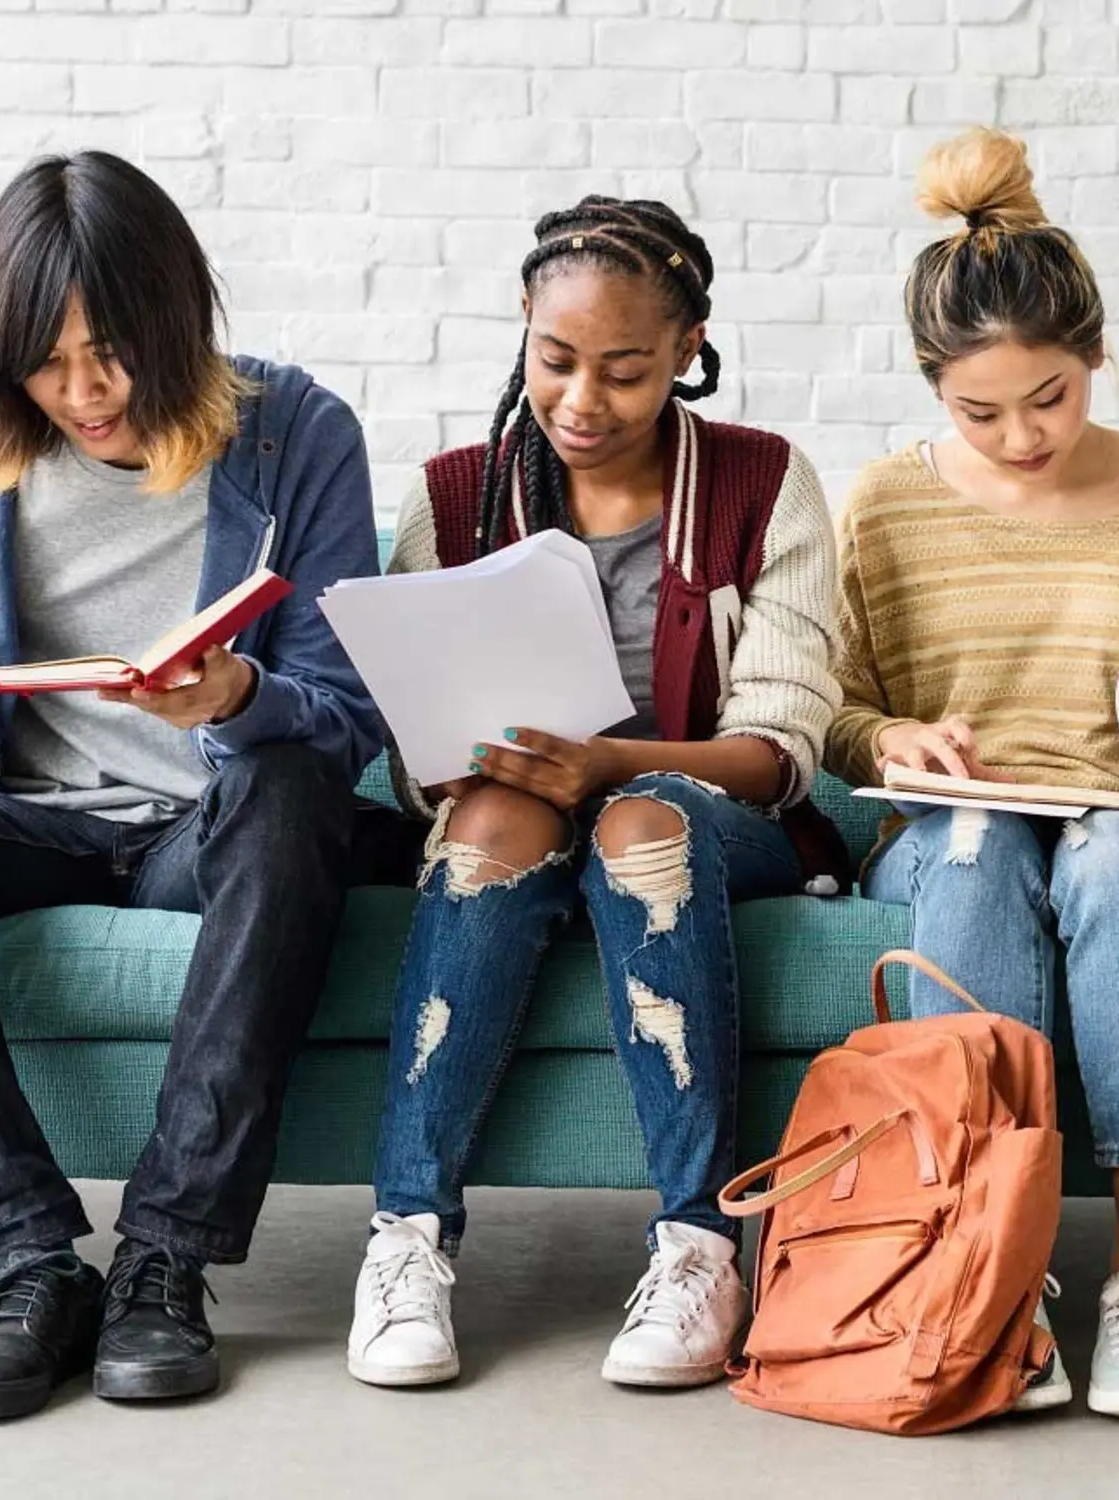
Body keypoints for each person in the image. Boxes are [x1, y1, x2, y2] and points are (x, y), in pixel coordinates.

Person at [0, 151, 384, 1419]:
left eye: (112, 350)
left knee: (289, 787)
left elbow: (341, 719)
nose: (85, 391)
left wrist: (238, 698)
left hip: (201, 823)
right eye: (47, 362)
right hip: (22, 812)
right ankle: (21, 1256)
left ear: (177, 321)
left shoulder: (297, 434)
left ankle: (165, 1255)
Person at [345, 194, 843, 1391]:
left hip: (712, 820)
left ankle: (696, 1245)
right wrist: (458, 762)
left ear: (688, 351)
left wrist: (611, 761)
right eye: (556, 360)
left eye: (624, 371)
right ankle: (406, 1238)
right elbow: (418, 757)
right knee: (494, 825)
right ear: (522, 323)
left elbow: (782, 750)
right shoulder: (455, 493)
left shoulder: (760, 483)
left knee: (638, 824)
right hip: (514, 806)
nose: (581, 401)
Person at [826, 128, 1119, 1421]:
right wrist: (890, 742)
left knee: (1112, 854)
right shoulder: (885, 505)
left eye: (1052, 397)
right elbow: (838, 713)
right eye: (981, 411)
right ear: (931, 388)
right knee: (971, 844)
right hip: (958, 820)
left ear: (1098, 356)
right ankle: (986, 1271)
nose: (1022, 435)